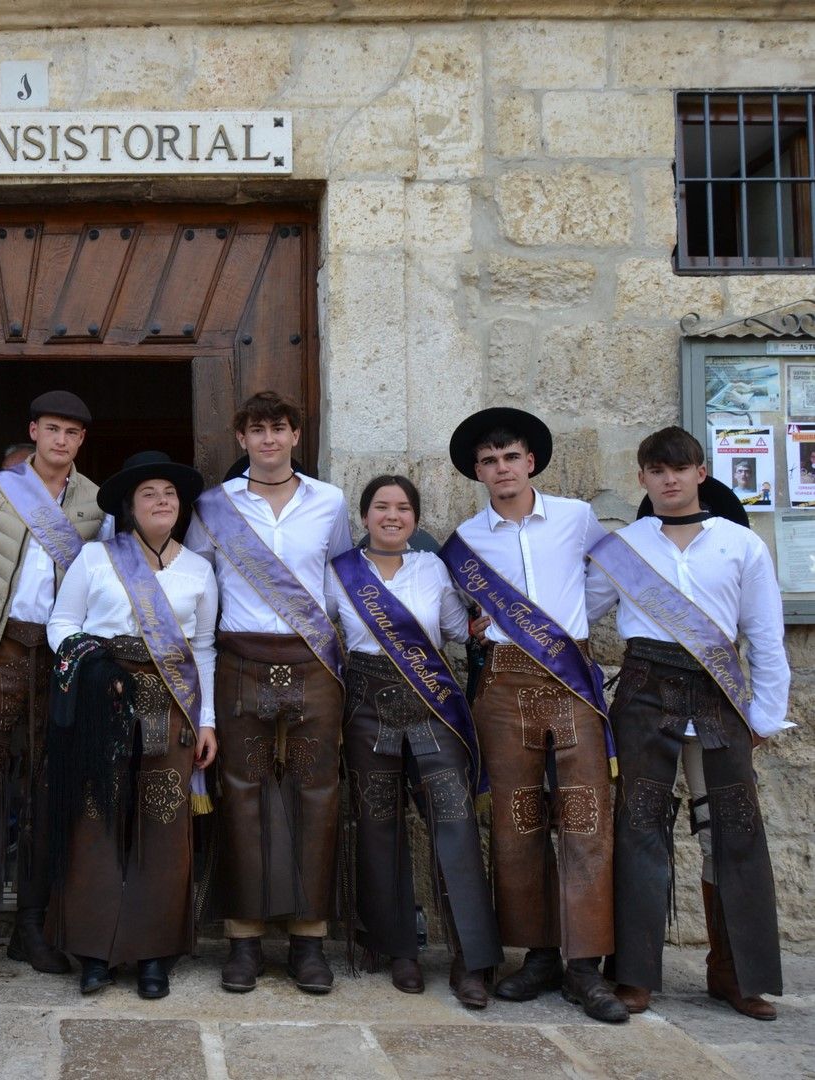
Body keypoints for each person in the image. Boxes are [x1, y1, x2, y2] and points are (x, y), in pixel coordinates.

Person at [586, 427, 790, 1020]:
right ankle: (634, 974)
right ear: (643, 479)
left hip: (720, 695)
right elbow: (580, 609)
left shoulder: (741, 545)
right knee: (638, 827)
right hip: (646, 690)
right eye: (656, 469)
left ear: (701, 472)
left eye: (680, 468)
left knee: (733, 831)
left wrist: (765, 715)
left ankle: (736, 975)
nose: (669, 479)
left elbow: (765, 635)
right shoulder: (624, 547)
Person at [439, 407, 626, 1023]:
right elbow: (458, 613)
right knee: (517, 822)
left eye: (511, 457)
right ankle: (540, 953)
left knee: (584, 816)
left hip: (569, 676)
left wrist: (570, 626)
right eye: (489, 461)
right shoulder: (466, 539)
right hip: (503, 681)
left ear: (532, 461)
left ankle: (585, 966)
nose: (501, 469)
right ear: (477, 471)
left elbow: (606, 582)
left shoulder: (575, 518)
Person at [0, 391, 110, 979]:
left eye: (73, 433)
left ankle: (33, 924)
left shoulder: (97, 503)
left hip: (57, 656)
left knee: (46, 784)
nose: (61, 441)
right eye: (52, 429)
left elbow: (100, 579)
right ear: (33, 431)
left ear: (82, 441)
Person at [184, 391, 350, 994]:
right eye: (258, 429)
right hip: (239, 659)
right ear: (242, 438)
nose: (270, 438)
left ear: (297, 436)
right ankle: (244, 941)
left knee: (317, 795)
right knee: (241, 797)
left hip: (311, 662)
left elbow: (339, 583)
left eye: (280, 427)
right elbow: (199, 583)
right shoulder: (212, 506)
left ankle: (309, 942)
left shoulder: (329, 503)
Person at [46, 451, 218, 999]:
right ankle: (95, 952)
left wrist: (207, 720)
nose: (161, 502)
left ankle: (153, 954)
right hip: (104, 701)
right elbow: (62, 623)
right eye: (149, 494)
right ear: (129, 506)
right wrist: (94, 671)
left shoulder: (198, 570)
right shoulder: (97, 559)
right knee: (96, 823)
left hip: (171, 707)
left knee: (163, 828)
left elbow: (205, 648)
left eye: (169, 493)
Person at [332, 475, 502, 1008]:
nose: (392, 515)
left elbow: (454, 630)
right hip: (365, 707)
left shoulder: (433, 569)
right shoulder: (339, 574)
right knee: (378, 827)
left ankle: (472, 958)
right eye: (381, 506)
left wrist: (483, 622)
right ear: (364, 517)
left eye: (403, 508)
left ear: (415, 519)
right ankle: (396, 948)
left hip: (432, 706)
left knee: (454, 824)